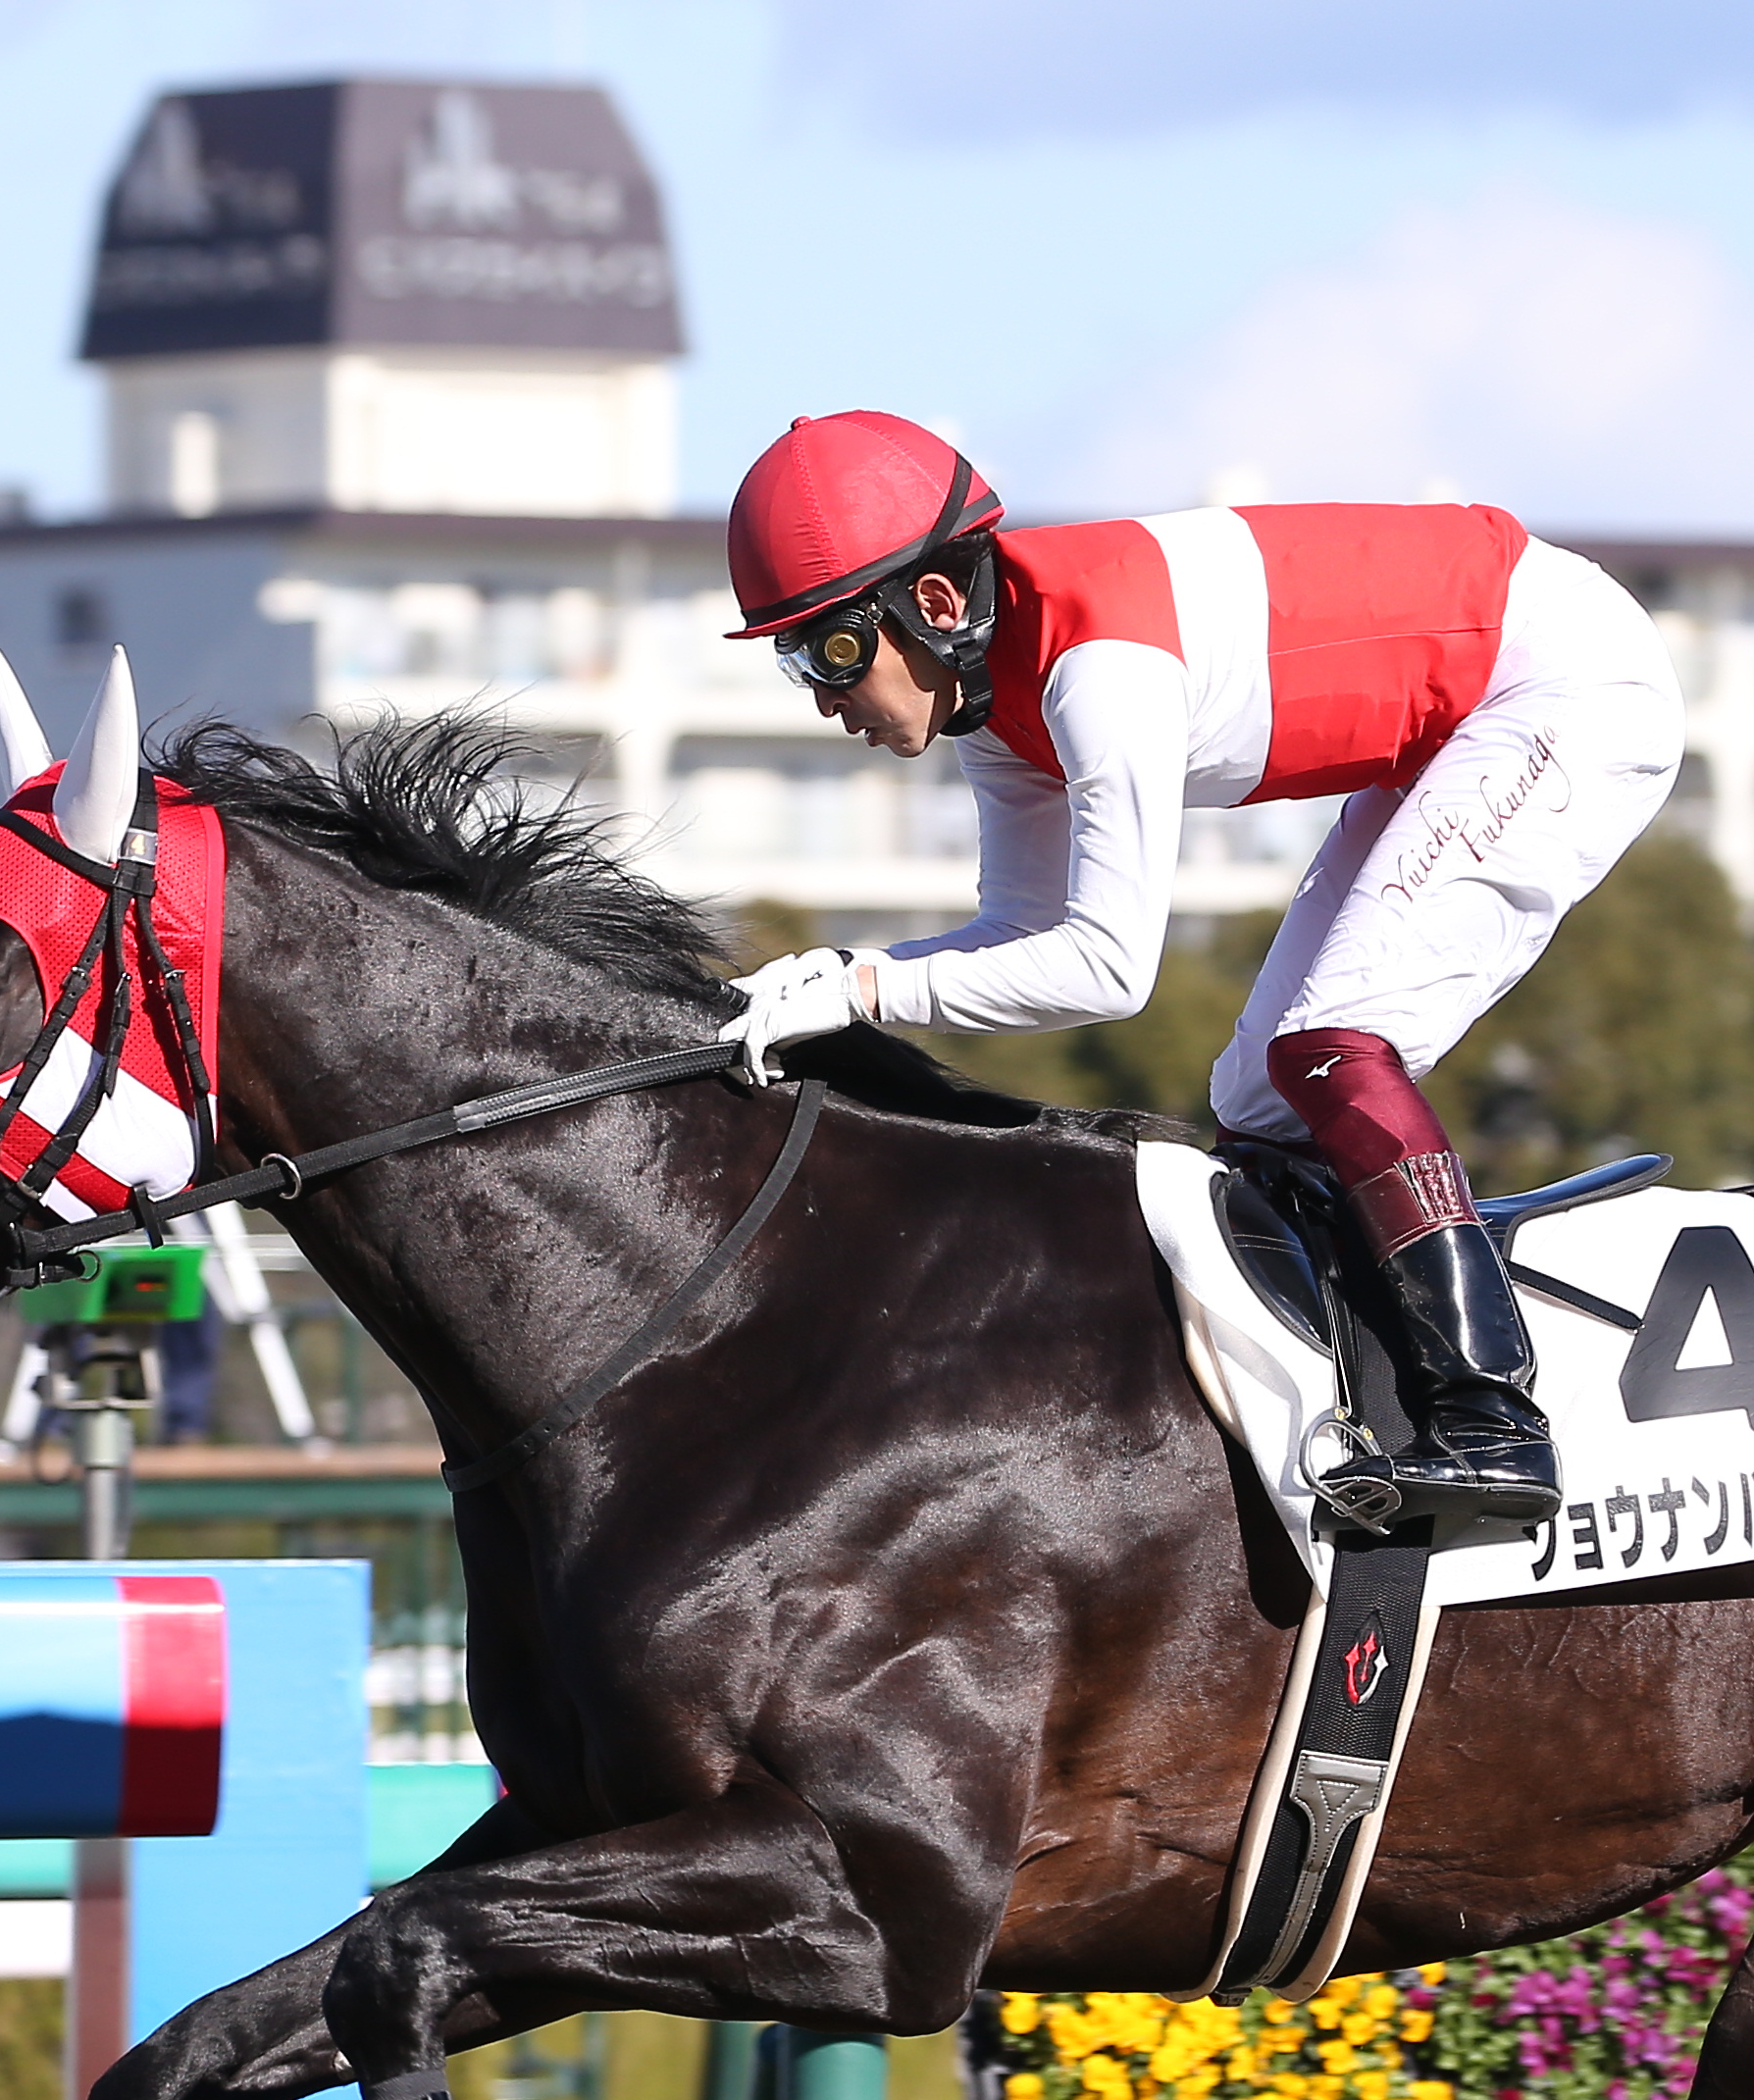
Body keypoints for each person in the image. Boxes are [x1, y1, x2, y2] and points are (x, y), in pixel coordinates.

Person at [709, 413, 1684, 1547]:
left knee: (1332, 1045)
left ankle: (1493, 1416)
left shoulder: (1095, 671)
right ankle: (1345, 1395)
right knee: (1257, 1102)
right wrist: (834, 978)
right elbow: (1022, 935)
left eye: (829, 652)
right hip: (1463, 711)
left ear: (933, 606)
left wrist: (868, 990)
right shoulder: (991, 705)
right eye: (794, 661)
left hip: (1562, 685)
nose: (826, 701)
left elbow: (1109, 969)